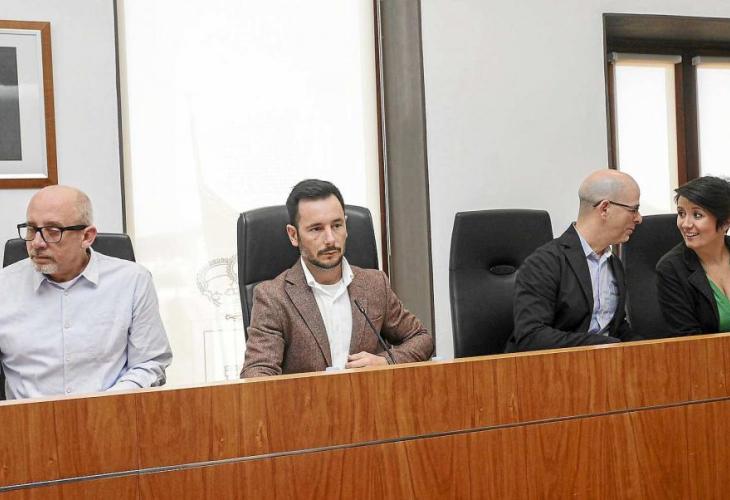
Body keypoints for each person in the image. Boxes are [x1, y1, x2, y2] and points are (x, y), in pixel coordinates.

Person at [241, 179, 433, 377]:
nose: (330, 239)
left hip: (369, 395)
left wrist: (387, 361)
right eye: (316, 229)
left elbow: (421, 338)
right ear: (293, 235)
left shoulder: (375, 284)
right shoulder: (273, 297)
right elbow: (256, 372)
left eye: (336, 225)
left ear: (346, 227)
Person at [0, 185, 172, 399]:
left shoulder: (133, 281)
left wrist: (104, 406)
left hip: (111, 414)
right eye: (31, 229)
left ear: (87, 236)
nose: (37, 243)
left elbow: (150, 362)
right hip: (27, 419)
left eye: (53, 231)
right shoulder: (4, 287)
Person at [505, 169, 642, 352]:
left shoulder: (613, 263)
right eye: (633, 210)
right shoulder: (544, 263)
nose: (639, 218)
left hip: (604, 363)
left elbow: (615, 327)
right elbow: (531, 336)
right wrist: (603, 344)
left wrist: (647, 349)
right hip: (556, 366)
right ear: (604, 208)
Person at [656, 176, 730, 336]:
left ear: (725, 222)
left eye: (697, 215)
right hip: (706, 352)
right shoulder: (671, 268)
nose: (685, 224)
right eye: (681, 213)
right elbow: (688, 339)